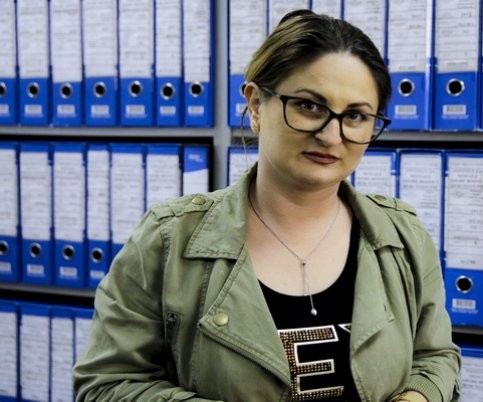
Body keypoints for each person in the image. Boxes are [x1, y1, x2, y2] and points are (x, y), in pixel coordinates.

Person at [73, 9, 460, 402]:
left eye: (356, 116)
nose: (331, 136)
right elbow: (106, 385)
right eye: (309, 106)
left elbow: (435, 357)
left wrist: (418, 397)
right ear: (256, 104)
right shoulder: (167, 240)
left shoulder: (403, 236)